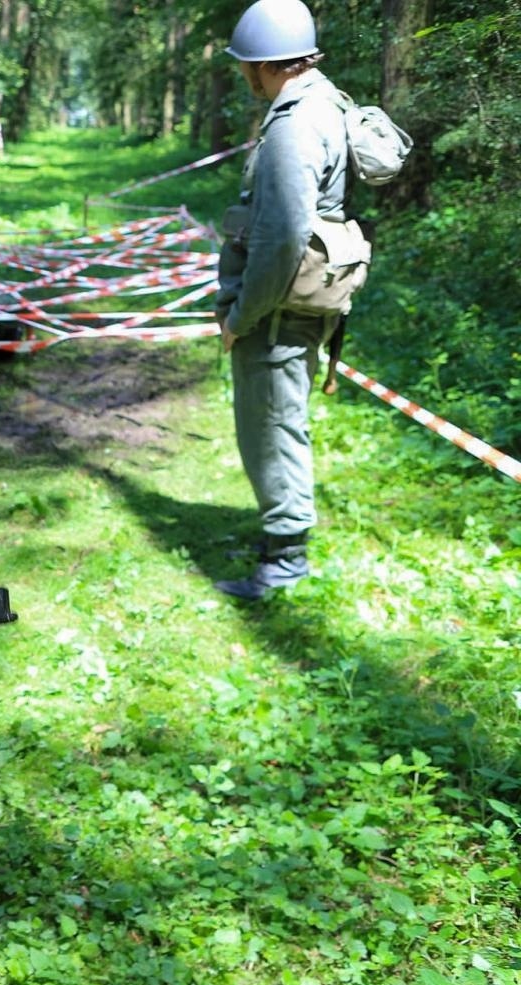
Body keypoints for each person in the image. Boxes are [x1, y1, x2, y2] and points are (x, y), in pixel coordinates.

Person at [213, 0, 347, 600]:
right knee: (279, 423)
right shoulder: (322, 104)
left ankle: (285, 557)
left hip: (274, 316)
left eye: (247, 65)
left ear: (265, 65)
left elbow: (282, 237)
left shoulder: (294, 124)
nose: (246, 76)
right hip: (291, 309)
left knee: (271, 427)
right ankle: (280, 539)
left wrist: (242, 317)